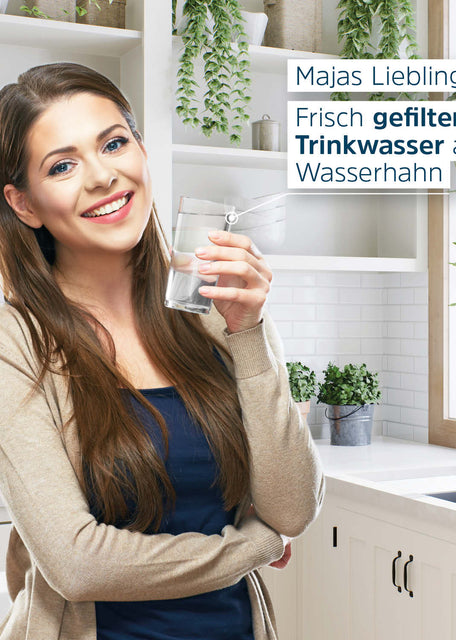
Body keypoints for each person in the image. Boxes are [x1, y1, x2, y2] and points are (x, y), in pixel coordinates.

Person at [0, 62, 324, 640]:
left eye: (115, 143)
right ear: (24, 205)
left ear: (141, 152)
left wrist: (249, 333)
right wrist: (250, 548)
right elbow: (75, 563)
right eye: (64, 165)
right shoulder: (17, 338)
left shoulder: (219, 308)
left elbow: (293, 507)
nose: (102, 176)